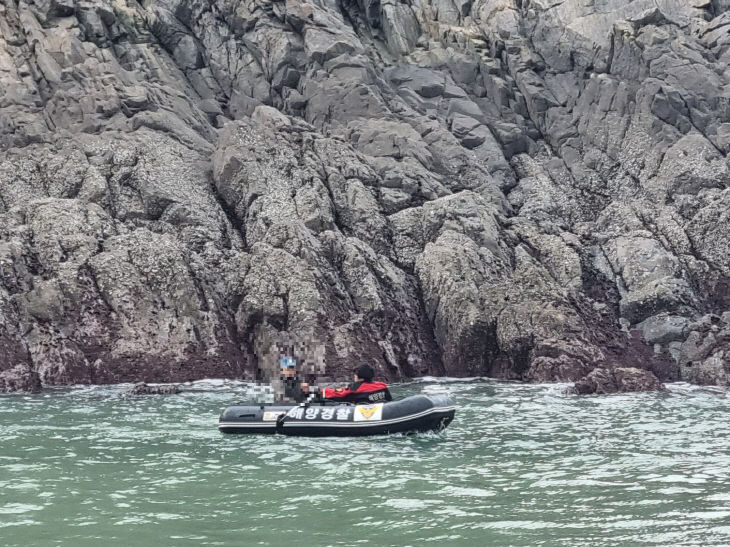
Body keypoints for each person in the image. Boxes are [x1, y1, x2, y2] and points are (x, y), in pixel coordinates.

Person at [320, 363, 392, 404]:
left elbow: (337, 393)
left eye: (355, 374)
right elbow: (389, 400)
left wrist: (317, 391)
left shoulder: (355, 388)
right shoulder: (382, 385)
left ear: (358, 376)